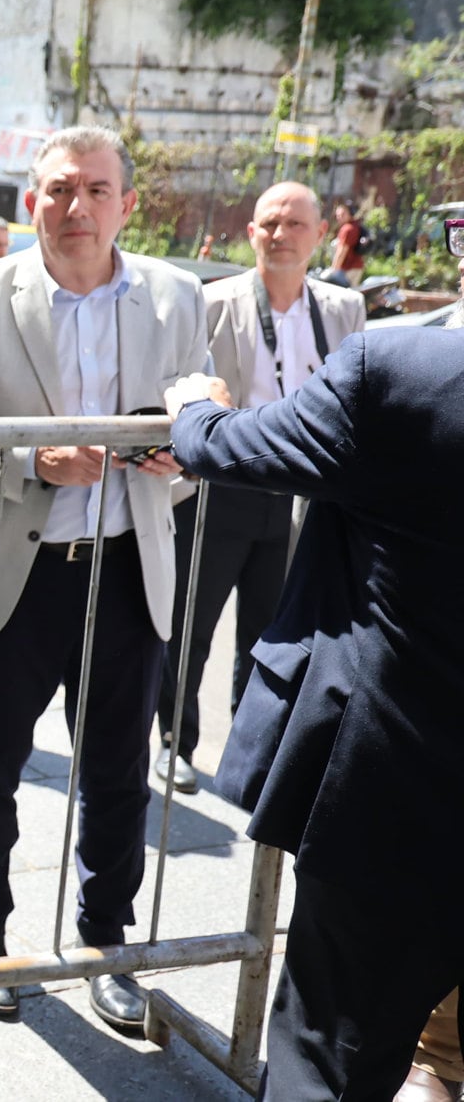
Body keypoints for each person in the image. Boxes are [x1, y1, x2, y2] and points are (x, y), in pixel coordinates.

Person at [0, 125, 207, 1035]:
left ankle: (108, 946)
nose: (77, 208)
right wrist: (33, 458)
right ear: (30, 199)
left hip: (126, 569)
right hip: (15, 572)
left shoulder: (175, 296)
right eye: (59, 189)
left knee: (117, 773)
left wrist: (177, 459)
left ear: (127, 201)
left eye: (97, 190)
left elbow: (204, 418)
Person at [164, 324, 464, 1102]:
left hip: (402, 793)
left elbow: (232, 446)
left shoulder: (400, 371)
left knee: (327, 1057)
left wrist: (194, 407)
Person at [154, 182, 362, 795]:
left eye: (295, 224)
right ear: (251, 232)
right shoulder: (212, 303)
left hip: (302, 494)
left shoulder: (342, 310)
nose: (280, 235)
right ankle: (174, 742)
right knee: (191, 623)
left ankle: (254, 752)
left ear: (320, 234)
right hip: (225, 485)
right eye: (268, 223)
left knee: (273, 632)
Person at [326, 200, 366, 287]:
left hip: (349, 269)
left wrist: (333, 270)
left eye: (342, 214)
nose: (339, 217)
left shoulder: (347, 229)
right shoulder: (355, 226)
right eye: (338, 215)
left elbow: (342, 251)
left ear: (350, 213)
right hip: (355, 267)